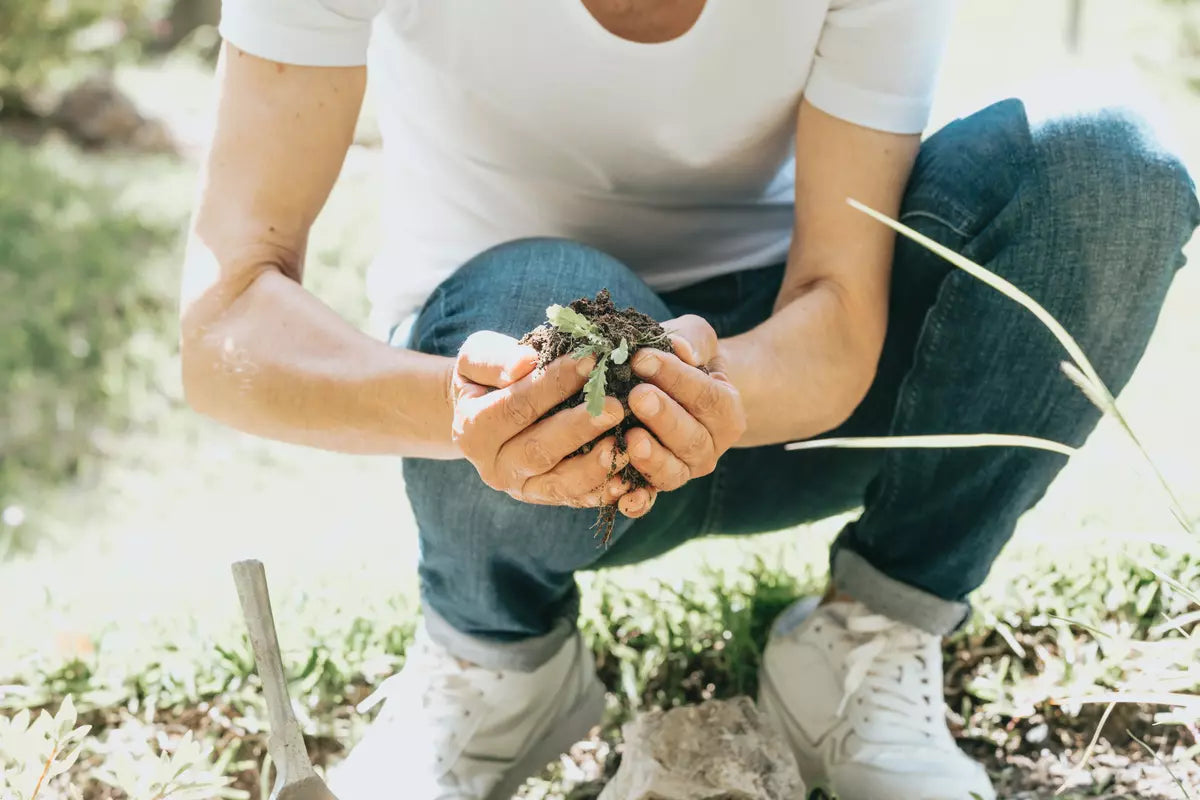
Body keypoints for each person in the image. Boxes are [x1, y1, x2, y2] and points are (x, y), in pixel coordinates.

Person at [182, 1, 1199, 798]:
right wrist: (458, 407)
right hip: (507, 435)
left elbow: (838, 304)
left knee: (1106, 164)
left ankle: (870, 636)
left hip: (785, 388)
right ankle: (495, 660)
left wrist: (713, 385)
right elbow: (225, 316)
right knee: (542, 292)